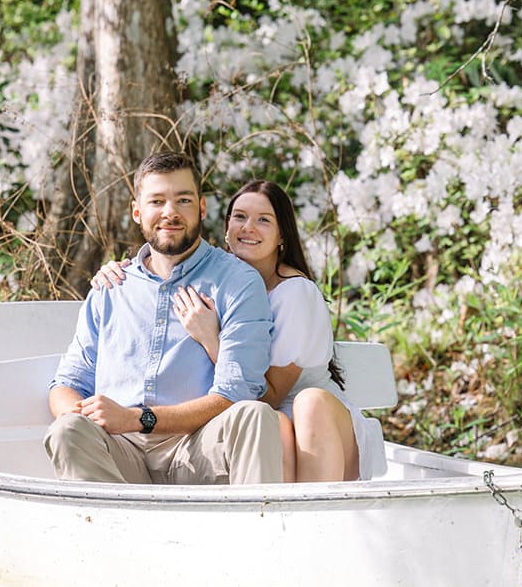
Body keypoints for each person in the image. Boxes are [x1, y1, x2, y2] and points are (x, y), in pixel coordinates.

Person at [96, 179, 385, 482]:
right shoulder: (221, 282)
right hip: (258, 424)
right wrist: (125, 271)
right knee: (266, 426)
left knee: (285, 414)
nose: (249, 227)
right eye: (240, 217)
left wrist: (211, 339)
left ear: (282, 234)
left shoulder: (295, 294)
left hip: (312, 426)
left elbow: (268, 396)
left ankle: (311, 523)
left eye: (264, 220)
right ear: (226, 227)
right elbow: (160, 275)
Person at [44, 152, 284, 485]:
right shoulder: (111, 287)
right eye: (157, 200)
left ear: (201, 208)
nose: (170, 212)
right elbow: (67, 384)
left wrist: (137, 418)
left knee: (253, 415)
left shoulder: (237, 282)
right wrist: (84, 416)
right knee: (67, 429)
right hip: (120, 452)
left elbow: (236, 393)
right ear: (137, 211)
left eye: (182, 200)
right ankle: (120, 534)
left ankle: (257, 534)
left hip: (197, 448)